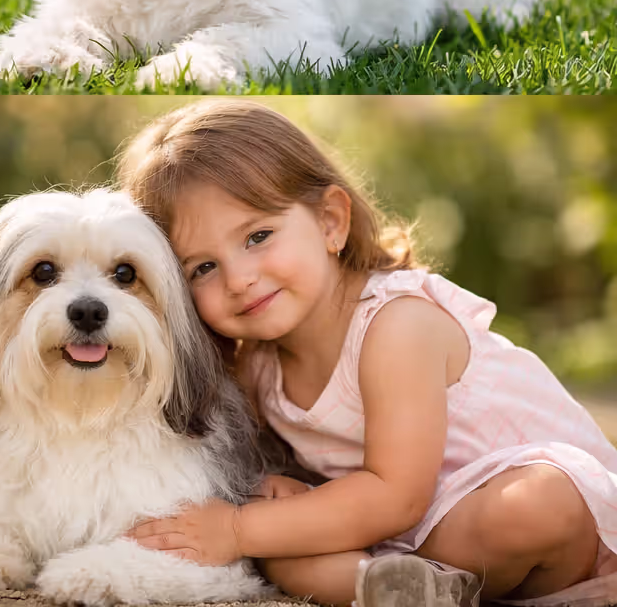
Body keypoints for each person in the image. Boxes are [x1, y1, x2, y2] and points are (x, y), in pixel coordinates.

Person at [114, 100, 617, 607]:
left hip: (534, 527)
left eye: (258, 236)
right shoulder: (257, 364)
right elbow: (336, 489)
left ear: (331, 221)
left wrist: (239, 529)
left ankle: (421, 580)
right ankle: (415, 592)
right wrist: (287, 490)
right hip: (398, 541)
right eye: (202, 268)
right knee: (284, 550)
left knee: (537, 503)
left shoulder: (395, 326)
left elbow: (398, 495)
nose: (239, 279)